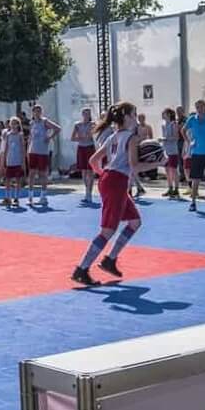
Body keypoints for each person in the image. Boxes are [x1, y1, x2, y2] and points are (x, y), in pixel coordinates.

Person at [72, 102, 144, 286]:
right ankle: (81, 269)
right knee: (108, 231)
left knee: (135, 222)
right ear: (127, 117)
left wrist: (103, 173)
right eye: (134, 115)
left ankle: (110, 259)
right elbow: (135, 166)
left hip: (110, 179)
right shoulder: (131, 138)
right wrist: (160, 162)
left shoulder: (113, 136)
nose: (136, 118)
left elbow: (93, 160)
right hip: (117, 182)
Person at [25, 104, 59, 206]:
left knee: (42, 174)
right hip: (33, 151)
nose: (37, 113)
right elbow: (31, 137)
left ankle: (43, 196)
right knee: (31, 174)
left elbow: (57, 128)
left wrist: (49, 137)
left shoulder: (45, 121)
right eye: (35, 111)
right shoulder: (32, 123)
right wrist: (28, 150)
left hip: (43, 152)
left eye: (39, 111)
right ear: (33, 112)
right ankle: (30, 197)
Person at [0, 116, 28, 209]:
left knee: (18, 180)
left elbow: (23, 148)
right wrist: (4, 161)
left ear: (18, 125)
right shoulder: (7, 135)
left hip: (18, 161)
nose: (13, 125)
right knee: (7, 180)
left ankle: (16, 198)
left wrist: (23, 161)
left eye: (15, 123)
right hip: (9, 161)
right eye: (12, 123)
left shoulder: (20, 135)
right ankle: (8, 198)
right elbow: (6, 148)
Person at [70, 109, 97, 200]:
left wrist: (86, 136)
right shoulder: (77, 124)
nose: (86, 115)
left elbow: (92, 136)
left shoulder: (93, 124)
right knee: (83, 171)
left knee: (90, 170)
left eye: (88, 114)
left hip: (90, 147)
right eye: (84, 113)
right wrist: (80, 137)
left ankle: (89, 192)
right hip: (81, 148)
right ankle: (87, 190)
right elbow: (72, 138)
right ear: (82, 114)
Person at [159, 107, 183, 200]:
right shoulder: (163, 125)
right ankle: (170, 188)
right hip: (165, 150)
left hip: (173, 150)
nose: (162, 115)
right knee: (167, 170)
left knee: (173, 170)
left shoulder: (174, 124)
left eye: (164, 113)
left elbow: (176, 137)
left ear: (168, 114)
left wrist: (165, 139)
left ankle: (176, 188)